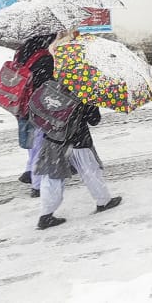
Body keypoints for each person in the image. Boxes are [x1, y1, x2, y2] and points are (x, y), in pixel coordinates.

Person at [34, 95, 122, 229]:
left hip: (53, 138)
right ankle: (103, 201)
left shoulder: (56, 85)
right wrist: (93, 103)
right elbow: (94, 120)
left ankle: (45, 215)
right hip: (78, 139)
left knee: (52, 178)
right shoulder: (86, 93)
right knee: (90, 171)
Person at [13, 34, 56, 197]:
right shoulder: (44, 58)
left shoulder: (22, 51)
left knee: (32, 140)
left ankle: (29, 170)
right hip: (37, 106)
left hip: (21, 103)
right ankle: (37, 186)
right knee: (40, 144)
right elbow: (47, 85)